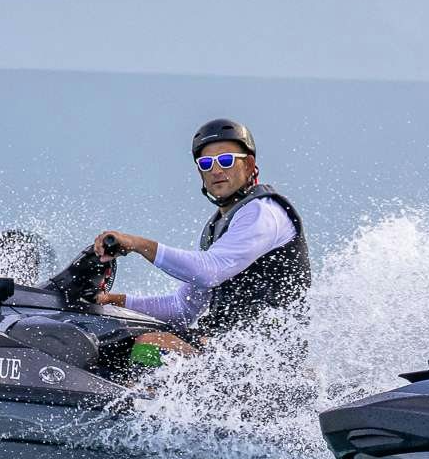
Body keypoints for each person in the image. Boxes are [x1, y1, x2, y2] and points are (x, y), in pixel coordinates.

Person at [91, 119, 313, 347]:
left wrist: (138, 244)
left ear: (248, 165)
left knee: (151, 344)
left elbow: (210, 271)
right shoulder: (218, 228)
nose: (216, 170)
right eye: (206, 164)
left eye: (226, 160)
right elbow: (182, 309)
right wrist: (113, 301)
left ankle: (139, 386)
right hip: (228, 347)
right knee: (118, 341)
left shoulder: (262, 213)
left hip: (270, 356)